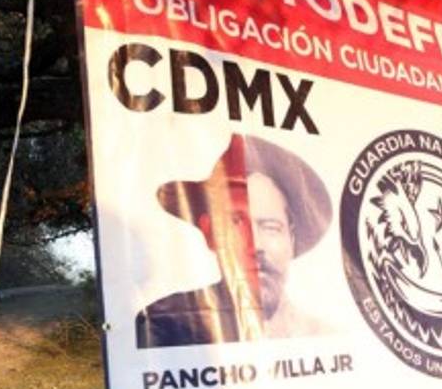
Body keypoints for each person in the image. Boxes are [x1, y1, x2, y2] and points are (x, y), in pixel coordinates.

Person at [136, 134, 332, 348]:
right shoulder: (166, 325)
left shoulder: (324, 338)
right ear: (209, 233)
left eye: (271, 228)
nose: (256, 245)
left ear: (291, 239)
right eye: (236, 223)